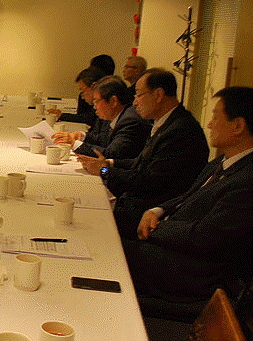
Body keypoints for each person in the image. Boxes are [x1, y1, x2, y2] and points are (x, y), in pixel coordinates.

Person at [123, 86, 253, 304]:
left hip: (195, 273)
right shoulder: (223, 161)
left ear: (238, 125)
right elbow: (188, 196)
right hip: (173, 245)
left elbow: (207, 236)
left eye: (215, 116)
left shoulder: (247, 179)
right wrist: (156, 211)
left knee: (109, 252)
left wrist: (156, 228)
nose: (209, 124)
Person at [77, 68, 209, 238]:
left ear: (159, 94)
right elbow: (140, 162)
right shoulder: (167, 122)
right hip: (136, 202)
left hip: (147, 214)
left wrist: (104, 171)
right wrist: (108, 163)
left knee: (82, 221)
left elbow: (148, 181)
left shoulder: (181, 130)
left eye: (139, 95)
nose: (134, 102)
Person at [52, 75, 150, 159]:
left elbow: (111, 154)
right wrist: (82, 136)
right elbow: (104, 140)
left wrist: (75, 144)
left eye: (97, 101)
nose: (94, 107)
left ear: (113, 101)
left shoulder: (130, 121)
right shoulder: (120, 115)